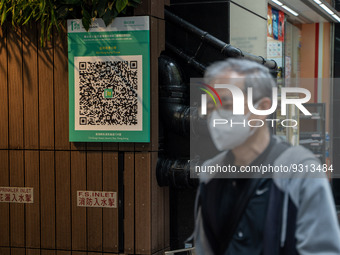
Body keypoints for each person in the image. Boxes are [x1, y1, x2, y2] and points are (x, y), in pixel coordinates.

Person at [192, 59, 340, 255]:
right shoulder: (210, 175)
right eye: (210, 108)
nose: (215, 117)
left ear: (262, 108)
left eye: (226, 105)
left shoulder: (300, 171)